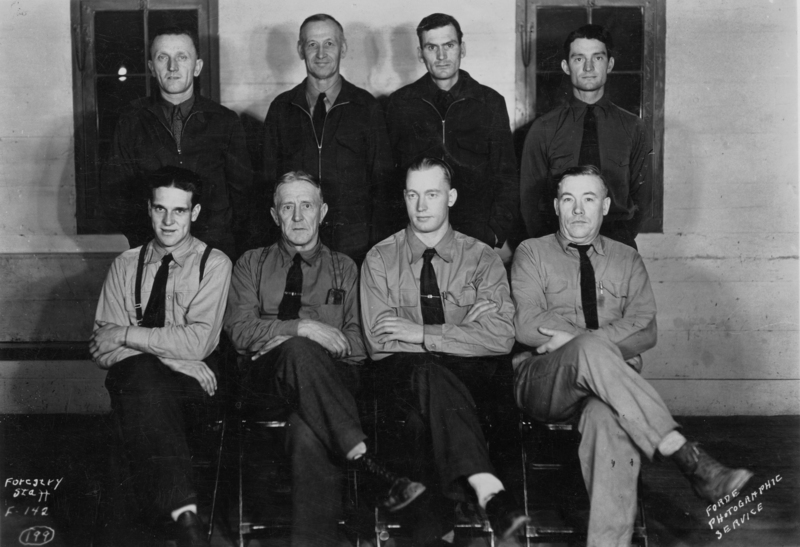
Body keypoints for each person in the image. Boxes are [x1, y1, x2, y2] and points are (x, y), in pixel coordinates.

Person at [511, 165, 753, 546]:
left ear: (605, 206)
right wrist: (591, 344)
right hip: (545, 382)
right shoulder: (532, 252)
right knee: (590, 348)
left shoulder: (627, 260)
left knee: (610, 420)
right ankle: (683, 453)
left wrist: (576, 339)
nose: (578, 210)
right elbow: (527, 325)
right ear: (556, 206)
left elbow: (646, 330)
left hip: (611, 394)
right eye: (568, 200)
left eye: (588, 199)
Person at [224, 171, 424, 547]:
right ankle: (365, 462)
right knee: (298, 347)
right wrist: (302, 329)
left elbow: (359, 344)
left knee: (307, 429)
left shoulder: (345, 268)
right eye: (288, 207)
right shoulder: (250, 264)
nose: (298, 216)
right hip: (265, 384)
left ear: (323, 212)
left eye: (307, 206)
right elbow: (239, 331)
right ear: (274, 215)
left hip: (333, 383)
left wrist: (286, 338)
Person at [360, 157, 528, 545]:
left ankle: (435, 535)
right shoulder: (380, 259)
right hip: (403, 386)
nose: (421, 206)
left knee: (423, 417)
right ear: (403, 198)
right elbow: (379, 344)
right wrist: (465, 329)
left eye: (432, 194)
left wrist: (420, 331)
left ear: (450, 197)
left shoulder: (482, 258)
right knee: (423, 382)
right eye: (413, 195)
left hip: (471, 389)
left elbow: (501, 337)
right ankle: (489, 492)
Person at [91, 166, 232, 547]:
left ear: (195, 212)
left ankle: (151, 525)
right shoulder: (125, 264)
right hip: (145, 380)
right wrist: (170, 357)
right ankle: (185, 516)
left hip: (193, 390)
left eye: (179, 210)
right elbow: (101, 348)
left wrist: (125, 333)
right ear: (148, 209)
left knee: (132, 408)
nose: (169, 221)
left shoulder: (214, 264)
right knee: (142, 379)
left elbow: (199, 343)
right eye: (160, 209)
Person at [102, 26, 253, 260]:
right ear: (152, 67)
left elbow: (244, 196)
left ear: (197, 67)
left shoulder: (225, 121)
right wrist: (150, 240)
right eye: (163, 57)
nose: (172, 67)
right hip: (154, 255)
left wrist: (221, 244)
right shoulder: (131, 120)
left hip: (213, 255)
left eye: (182, 57)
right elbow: (116, 195)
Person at [385, 13, 518, 262]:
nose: (441, 56)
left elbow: (507, 175)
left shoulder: (489, 102)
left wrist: (495, 233)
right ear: (420, 53)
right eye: (431, 47)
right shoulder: (400, 103)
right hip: (417, 238)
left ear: (462, 48)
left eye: (449, 45)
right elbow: (388, 177)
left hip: (475, 238)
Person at [261, 14, 393, 262]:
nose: (321, 53)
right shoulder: (281, 108)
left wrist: (377, 249)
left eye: (329, 43)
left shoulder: (367, 107)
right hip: (297, 244)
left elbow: (383, 184)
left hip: (354, 245)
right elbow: (268, 183)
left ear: (343, 48)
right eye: (312, 44)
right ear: (300, 49)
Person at [519, 24, 651, 249]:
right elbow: (529, 202)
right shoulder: (543, 129)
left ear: (609, 64)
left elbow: (644, 198)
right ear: (566, 66)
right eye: (579, 58)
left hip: (616, 246)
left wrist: (620, 242)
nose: (588, 67)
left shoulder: (633, 127)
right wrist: (552, 250)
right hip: (558, 246)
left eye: (597, 58)